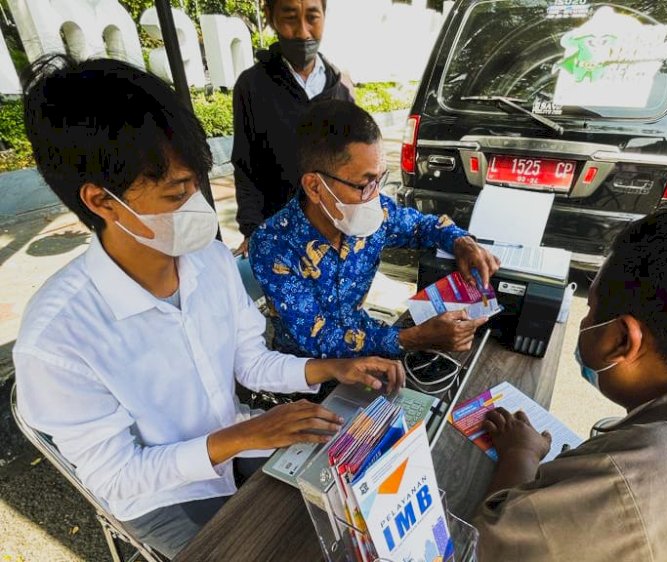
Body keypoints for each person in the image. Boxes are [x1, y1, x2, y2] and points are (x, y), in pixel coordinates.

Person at [13, 56, 404, 559]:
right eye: (177, 192)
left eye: (197, 181)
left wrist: (333, 367)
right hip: (161, 496)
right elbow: (119, 473)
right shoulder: (57, 339)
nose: (197, 203)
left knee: (353, 504)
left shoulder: (208, 259)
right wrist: (244, 435)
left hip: (233, 442)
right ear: (102, 201)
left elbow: (249, 359)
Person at [474, 204, 667, 561]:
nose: (585, 319)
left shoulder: (630, 483)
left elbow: (482, 546)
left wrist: (519, 454)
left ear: (622, 341)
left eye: (590, 309)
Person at [250, 99, 501, 359]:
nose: (375, 196)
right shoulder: (273, 245)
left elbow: (420, 226)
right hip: (307, 377)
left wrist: (461, 242)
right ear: (315, 187)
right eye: (364, 184)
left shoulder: (376, 210)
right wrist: (414, 338)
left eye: (379, 179)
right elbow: (319, 339)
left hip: (371, 342)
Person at [232, 0, 353, 253]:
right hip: (280, 242)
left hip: (335, 237)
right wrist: (254, 233)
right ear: (270, 16)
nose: (303, 32)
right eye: (289, 18)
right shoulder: (252, 87)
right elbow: (245, 168)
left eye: (312, 17)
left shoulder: (340, 90)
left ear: (324, 15)